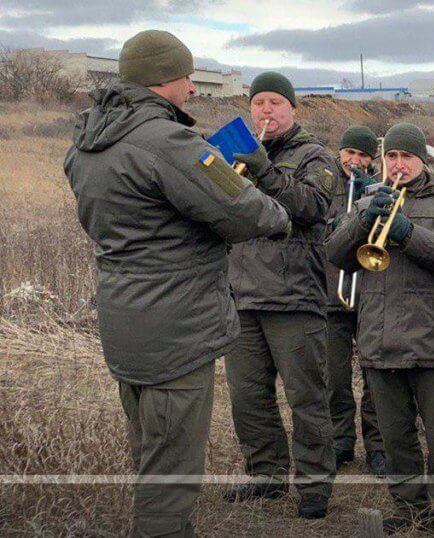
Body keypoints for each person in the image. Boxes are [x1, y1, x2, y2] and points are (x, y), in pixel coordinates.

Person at [64, 30, 291, 535]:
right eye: (186, 77)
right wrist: (277, 214)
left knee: (152, 454)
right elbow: (247, 212)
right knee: (170, 478)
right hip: (176, 332)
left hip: (125, 323)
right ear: (162, 79)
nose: (191, 88)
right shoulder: (167, 142)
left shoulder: (86, 143)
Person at [326, 123, 434, 534]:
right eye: (391, 156)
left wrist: (409, 232)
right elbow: (336, 254)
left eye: (406, 156)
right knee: (396, 438)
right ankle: (410, 509)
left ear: (421, 160)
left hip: (432, 343)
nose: (398, 164)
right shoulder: (368, 200)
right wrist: (362, 221)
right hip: (380, 340)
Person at [221, 72, 338, 519]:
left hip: (293, 297)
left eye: (274, 102)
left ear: (292, 108)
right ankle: (266, 475)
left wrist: (265, 171)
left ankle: (314, 484)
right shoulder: (237, 153)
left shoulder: (315, 155)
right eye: (258, 103)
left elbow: (312, 207)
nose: (265, 110)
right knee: (247, 397)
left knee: (306, 397)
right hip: (242, 295)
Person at [324, 126, 386, 476]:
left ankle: (378, 445)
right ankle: (339, 442)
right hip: (331, 296)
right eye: (350, 153)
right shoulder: (324, 183)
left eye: (363, 155)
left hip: (370, 297)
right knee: (334, 378)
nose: (355, 161)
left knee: (375, 378)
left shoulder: (381, 186)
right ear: (340, 152)